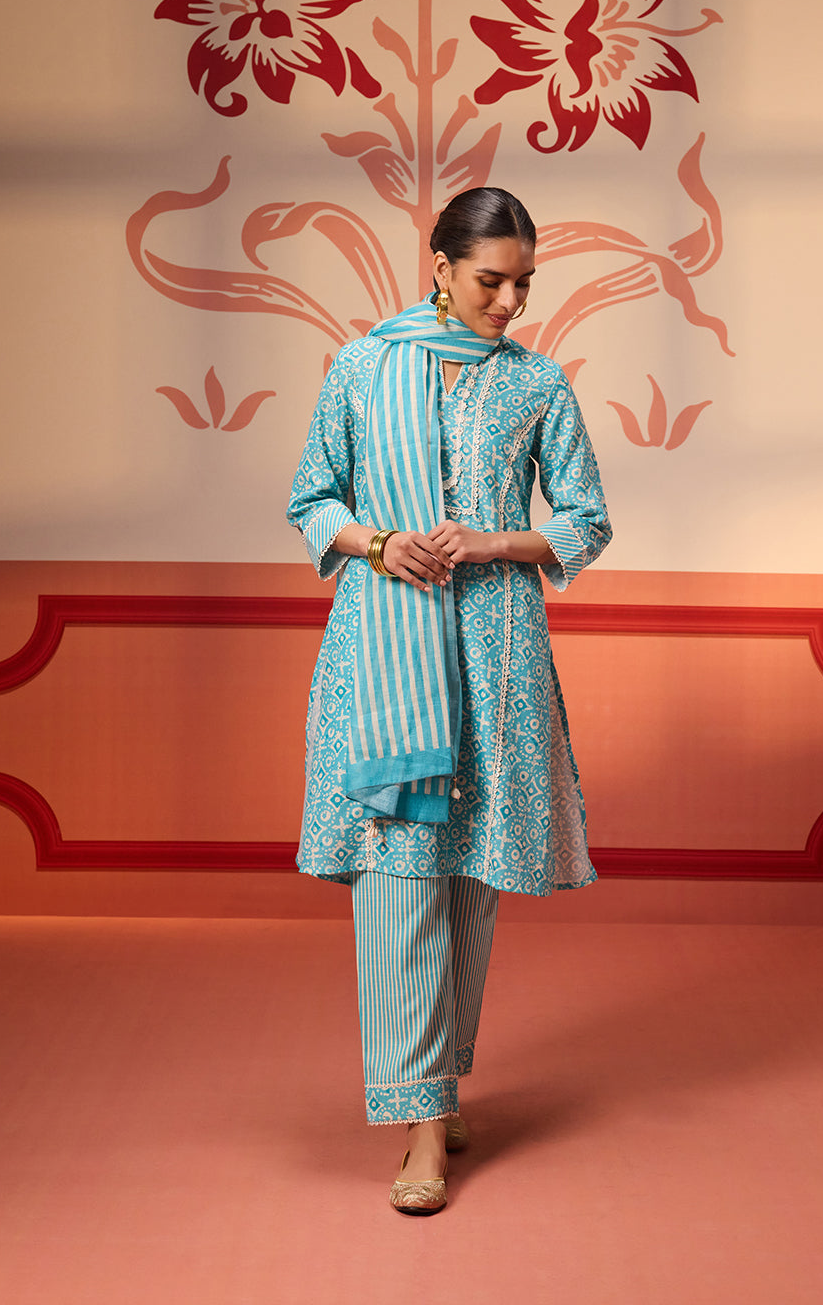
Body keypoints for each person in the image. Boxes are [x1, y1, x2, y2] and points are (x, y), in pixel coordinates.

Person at [287, 187, 612, 1215]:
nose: (510, 302)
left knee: (468, 874)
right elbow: (312, 499)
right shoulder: (361, 367)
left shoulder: (537, 383)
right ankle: (420, 1124)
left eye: (525, 284)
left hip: (498, 652)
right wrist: (382, 542)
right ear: (439, 266)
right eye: (490, 281)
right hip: (384, 655)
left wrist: (490, 540)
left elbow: (587, 520)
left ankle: (440, 1083)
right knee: (399, 876)